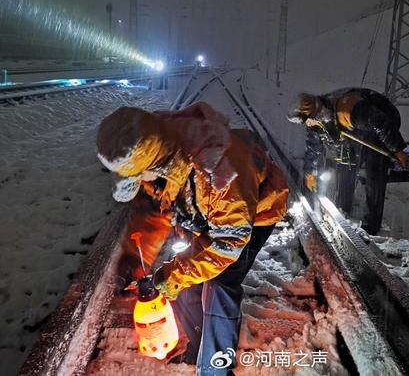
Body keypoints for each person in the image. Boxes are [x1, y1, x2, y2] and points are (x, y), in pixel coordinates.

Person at [96, 102, 288, 375]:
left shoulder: (221, 170)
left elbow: (227, 245)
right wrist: (136, 258)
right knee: (185, 276)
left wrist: (176, 275)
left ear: (155, 164)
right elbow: (155, 209)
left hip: (255, 213)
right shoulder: (159, 150)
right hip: (206, 213)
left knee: (220, 283)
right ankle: (198, 344)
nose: (143, 181)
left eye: (141, 176)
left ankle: (215, 366)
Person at [287, 88, 408, 235]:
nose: (308, 125)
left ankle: (372, 225)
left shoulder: (347, 110)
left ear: (317, 113)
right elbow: (312, 153)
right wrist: (310, 179)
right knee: (346, 161)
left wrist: (397, 150)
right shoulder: (315, 123)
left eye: (308, 121)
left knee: (374, 168)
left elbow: (380, 123)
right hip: (355, 126)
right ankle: (343, 209)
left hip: (382, 117)